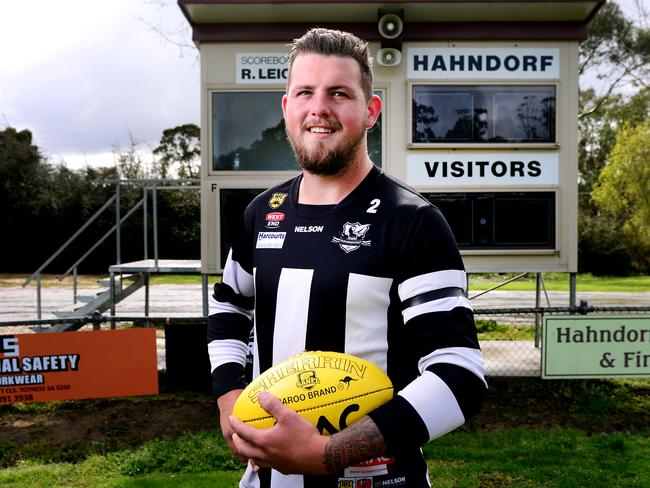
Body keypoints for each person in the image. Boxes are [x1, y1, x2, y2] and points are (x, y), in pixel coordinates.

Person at [208, 27, 487, 488]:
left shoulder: (413, 221)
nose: (319, 108)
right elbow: (229, 305)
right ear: (287, 108)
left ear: (370, 110)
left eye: (339, 93)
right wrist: (228, 397)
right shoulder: (261, 214)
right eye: (305, 92)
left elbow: (458, 372)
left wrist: (329, 454)